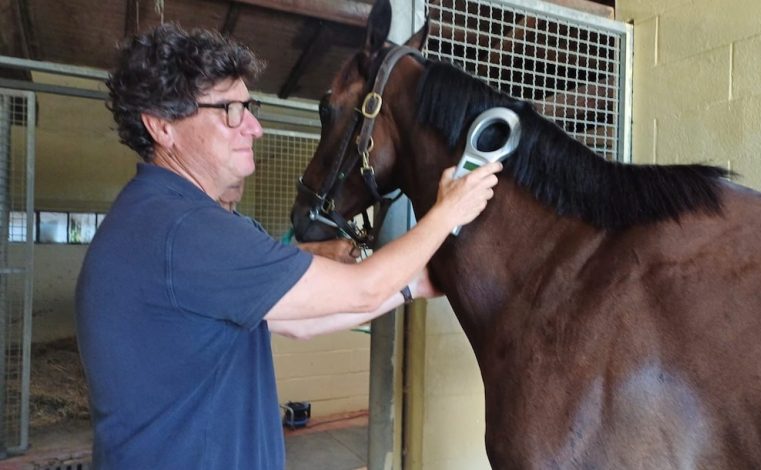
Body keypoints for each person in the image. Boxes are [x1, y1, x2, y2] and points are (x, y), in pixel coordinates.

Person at [75, 23, 501, 469]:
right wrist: (448, 211)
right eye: (230, 110)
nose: (254, 127)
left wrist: (415, 283)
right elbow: (363, 289)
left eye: (249, 107)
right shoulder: (184, 230)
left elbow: (303, 323)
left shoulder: (160, 217)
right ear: (162, 126)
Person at [218, 180, 360, 263]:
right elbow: (248, 265)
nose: (236, 179)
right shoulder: (202, 226)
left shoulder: (249, 225)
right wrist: (316, 250)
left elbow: (267, 256)